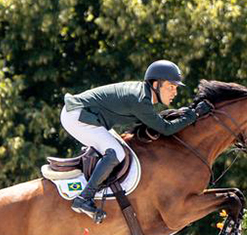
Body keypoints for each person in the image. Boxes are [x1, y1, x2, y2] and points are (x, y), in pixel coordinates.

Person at [61, 60, 214, 222]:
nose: (174, 92)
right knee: (116, 153)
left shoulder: (142, 95)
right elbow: (166, 129)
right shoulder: (140, 99)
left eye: (175, 87)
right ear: (156, 84)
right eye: (171, 86)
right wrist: (193, 115)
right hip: (77, 116)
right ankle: (84, 198)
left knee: (120, 149)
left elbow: (159, 123)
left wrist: (186, 115)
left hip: (86, 116)